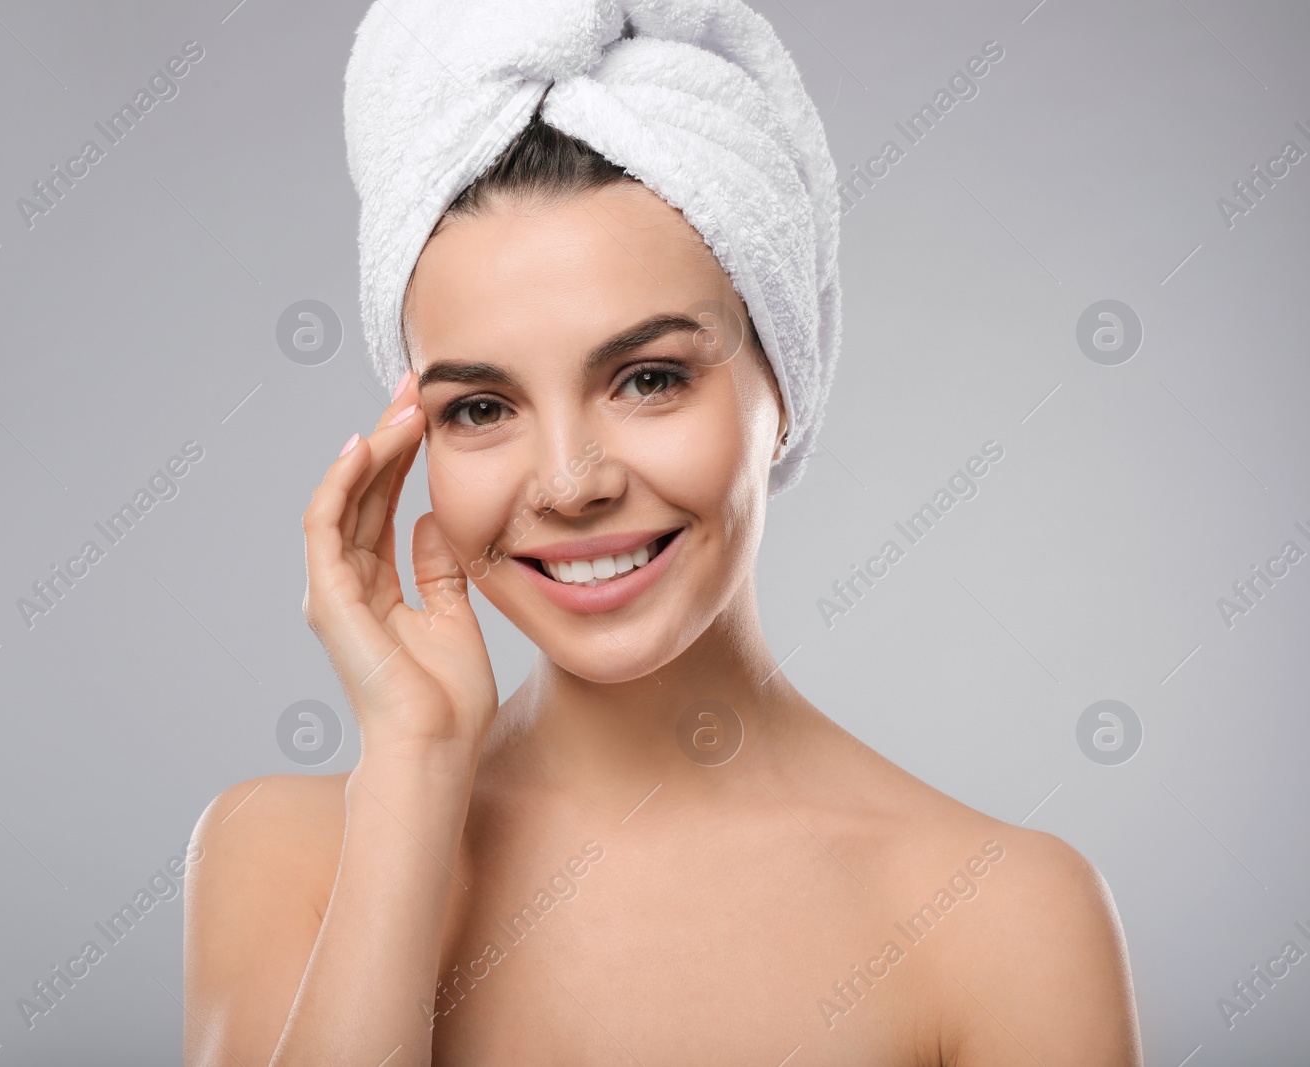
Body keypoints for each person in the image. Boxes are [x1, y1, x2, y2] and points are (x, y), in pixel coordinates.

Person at [184, 9, 1143, 1065]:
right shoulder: (283, 856)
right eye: (480, 407)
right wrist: (412, 767)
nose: (569, 482)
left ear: (784, 382)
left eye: (648, 379)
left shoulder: (1006, 919)